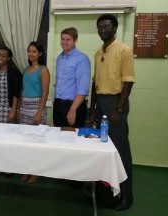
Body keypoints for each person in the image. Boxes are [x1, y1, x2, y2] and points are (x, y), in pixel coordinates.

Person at [89, 14, 135, 211]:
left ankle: (126, 196)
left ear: (114, 28)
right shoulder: (98, 52)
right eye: (100, 26)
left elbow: (128, 81)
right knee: (104, 151)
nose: (102, 29)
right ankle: (109, 193)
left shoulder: (124, 50)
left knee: (120, 151)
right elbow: (95, 83)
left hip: (116, 104)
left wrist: (119, 109)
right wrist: (92, 108)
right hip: (101, 105)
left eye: (106, 26)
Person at [19, 41, 50, 184]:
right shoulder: (26, 70)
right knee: (26, 141)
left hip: (37, 107)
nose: (31, 54)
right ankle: (27, 169)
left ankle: (36, 172)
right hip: (25, 107)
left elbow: (45, 93)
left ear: (40, 54)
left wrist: (39, 112)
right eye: (29, 51)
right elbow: (22, 90)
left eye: (34, 51)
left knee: (36, 142)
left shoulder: (43, 70)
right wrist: (19, 108)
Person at [53, 27, 91, 128]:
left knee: (72, 140)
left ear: (75, 41)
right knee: (58, 139)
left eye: (68, 39)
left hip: (73, 106)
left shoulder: (81, 59)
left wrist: (72, 110)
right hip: (58, 105)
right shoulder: (60, 58)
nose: (64, 42)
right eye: (63, 39)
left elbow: (83, 89)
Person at [0, 47, 22, 123]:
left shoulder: (13, 73)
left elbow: (16, 94)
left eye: (4, 56)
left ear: (8, 58)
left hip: (7, 109)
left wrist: (13, 111)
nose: (0, 58)